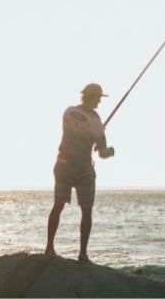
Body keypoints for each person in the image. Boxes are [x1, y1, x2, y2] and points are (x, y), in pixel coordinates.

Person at [45, 83, 115, 263]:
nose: (99, 102)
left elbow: (77, 131)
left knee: (57, 206)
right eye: (98, 98)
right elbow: (102, 153)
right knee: (86, 211)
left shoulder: (68, 112)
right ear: (92, 97)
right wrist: (111, 150)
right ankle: (83, 254)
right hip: (82, 170)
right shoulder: (96, 121)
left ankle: (49, 247)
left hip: (62, 165)